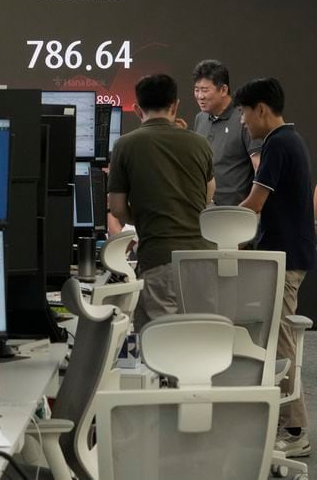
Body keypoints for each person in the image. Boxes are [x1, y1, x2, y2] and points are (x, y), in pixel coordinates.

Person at [236, 77, 315, 457]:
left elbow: (253, 203)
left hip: (285, 257)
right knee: (275, 338)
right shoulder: (288, 140)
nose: (243, 122)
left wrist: (215, 223)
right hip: (285, 253)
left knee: (281, 340)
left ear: (261, 109)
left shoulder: (279, 144)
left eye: (245, 113)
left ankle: (296, 430)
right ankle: (284, 422)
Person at [108, 74, 216, 331]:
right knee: (201, 344)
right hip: (202, 260)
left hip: (157, 259)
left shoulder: (125, 145)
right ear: (175, 105)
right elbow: (208, 196)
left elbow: (117, 209)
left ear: (136, 109)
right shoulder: (200, 144)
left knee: (161, 349)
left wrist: (145, 217)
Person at [187, 60, 261, 205]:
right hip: (204, 209)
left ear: (223, 90)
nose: (200, 96)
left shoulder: (244, 117)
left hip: (237, 212)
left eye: (205, 90)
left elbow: (259, 167)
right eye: (197, 89)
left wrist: (254, 207)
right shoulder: (200, 118)